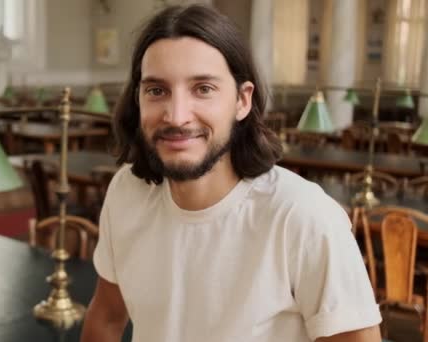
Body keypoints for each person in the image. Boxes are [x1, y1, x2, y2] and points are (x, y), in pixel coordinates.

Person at [81, 4, 381, 342]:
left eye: (203, 89)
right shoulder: (126, 191)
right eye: (157, 90)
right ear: (138, 101)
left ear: (242, 100)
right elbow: (106, 318)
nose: (177, 116)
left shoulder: (303, 216)